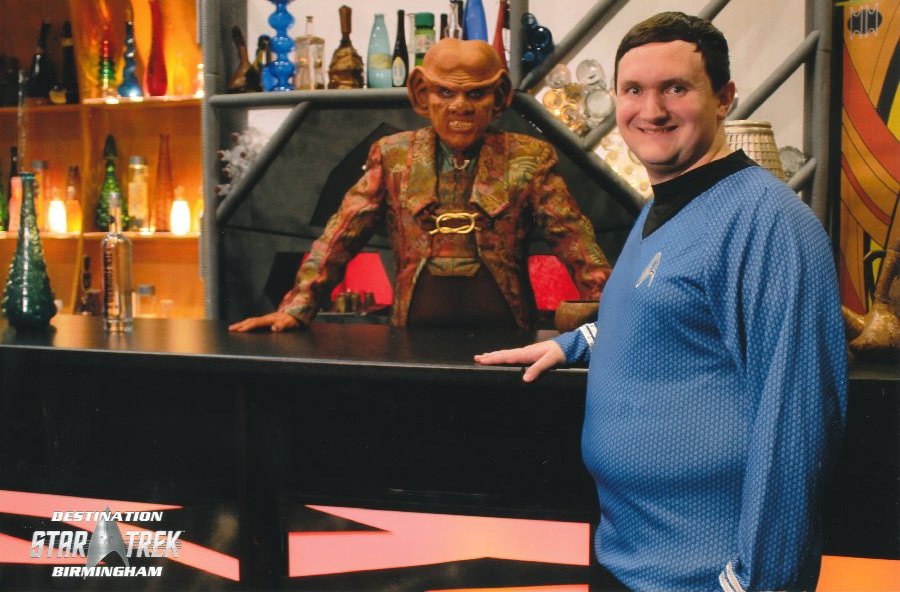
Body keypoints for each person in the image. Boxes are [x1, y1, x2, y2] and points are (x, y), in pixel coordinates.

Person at [475, 12, 847, 592]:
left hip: (705, 580)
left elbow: (794, 432)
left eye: (675, 88)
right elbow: (663, 311)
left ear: (723, 98)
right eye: (633, 90)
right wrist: (577, 343)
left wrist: (754, 584)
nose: (651, 110)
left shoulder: (770, 223)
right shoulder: (661, 204)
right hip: (625, 556)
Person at [229, 38, 610, 332]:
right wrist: (298, 306)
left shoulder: (529, 158)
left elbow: (575, 240)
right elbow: (341, 234)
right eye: (446, 92)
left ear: (499, 97)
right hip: (412, 336)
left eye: (475, 93)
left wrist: (611, 315)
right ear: (421, 93)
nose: (460, 106)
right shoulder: (393, 155)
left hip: (506, 334)